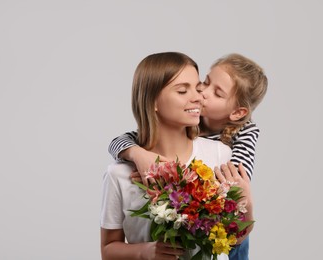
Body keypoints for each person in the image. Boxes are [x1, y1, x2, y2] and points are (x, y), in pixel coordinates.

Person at [107, 53, 268, 260]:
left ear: (237, 113)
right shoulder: (191, 119)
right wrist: (138, 154)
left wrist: (170, 178)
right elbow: (119, 142)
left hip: (231, 240)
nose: (201, 94)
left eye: (217, 93)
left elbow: (233, 184)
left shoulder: (238, 138)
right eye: (204, 83)